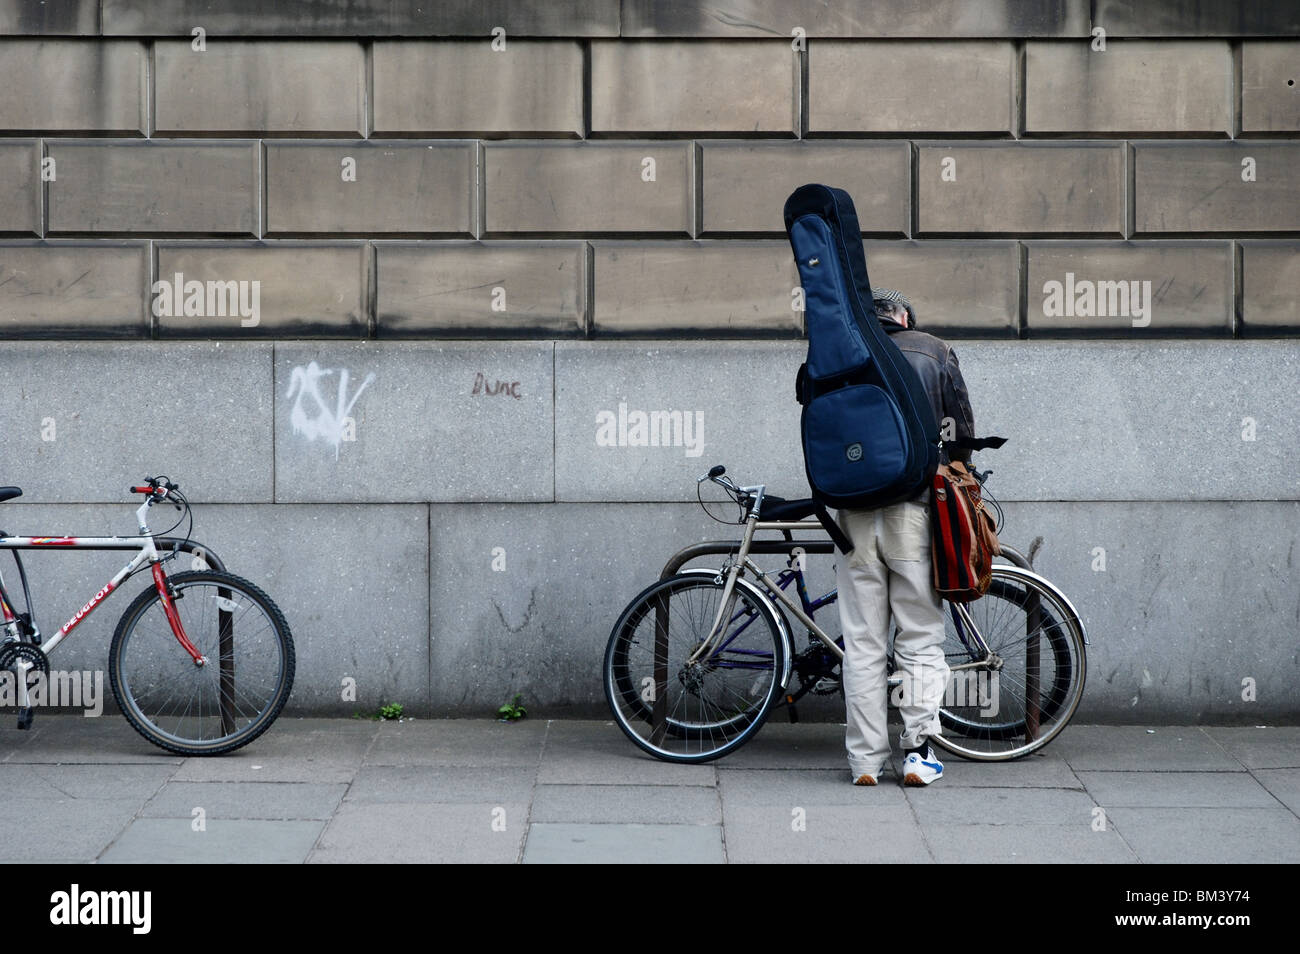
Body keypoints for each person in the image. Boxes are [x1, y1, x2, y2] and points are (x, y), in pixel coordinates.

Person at [836, 287, 975, 787]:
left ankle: (865, 763)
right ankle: (918, 754)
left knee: (863, 644)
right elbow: (958, 430)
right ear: (903, 316)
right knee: (919, 637)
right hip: (914, 510)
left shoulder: (841, 350)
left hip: (851, 515)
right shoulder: (931, 349)